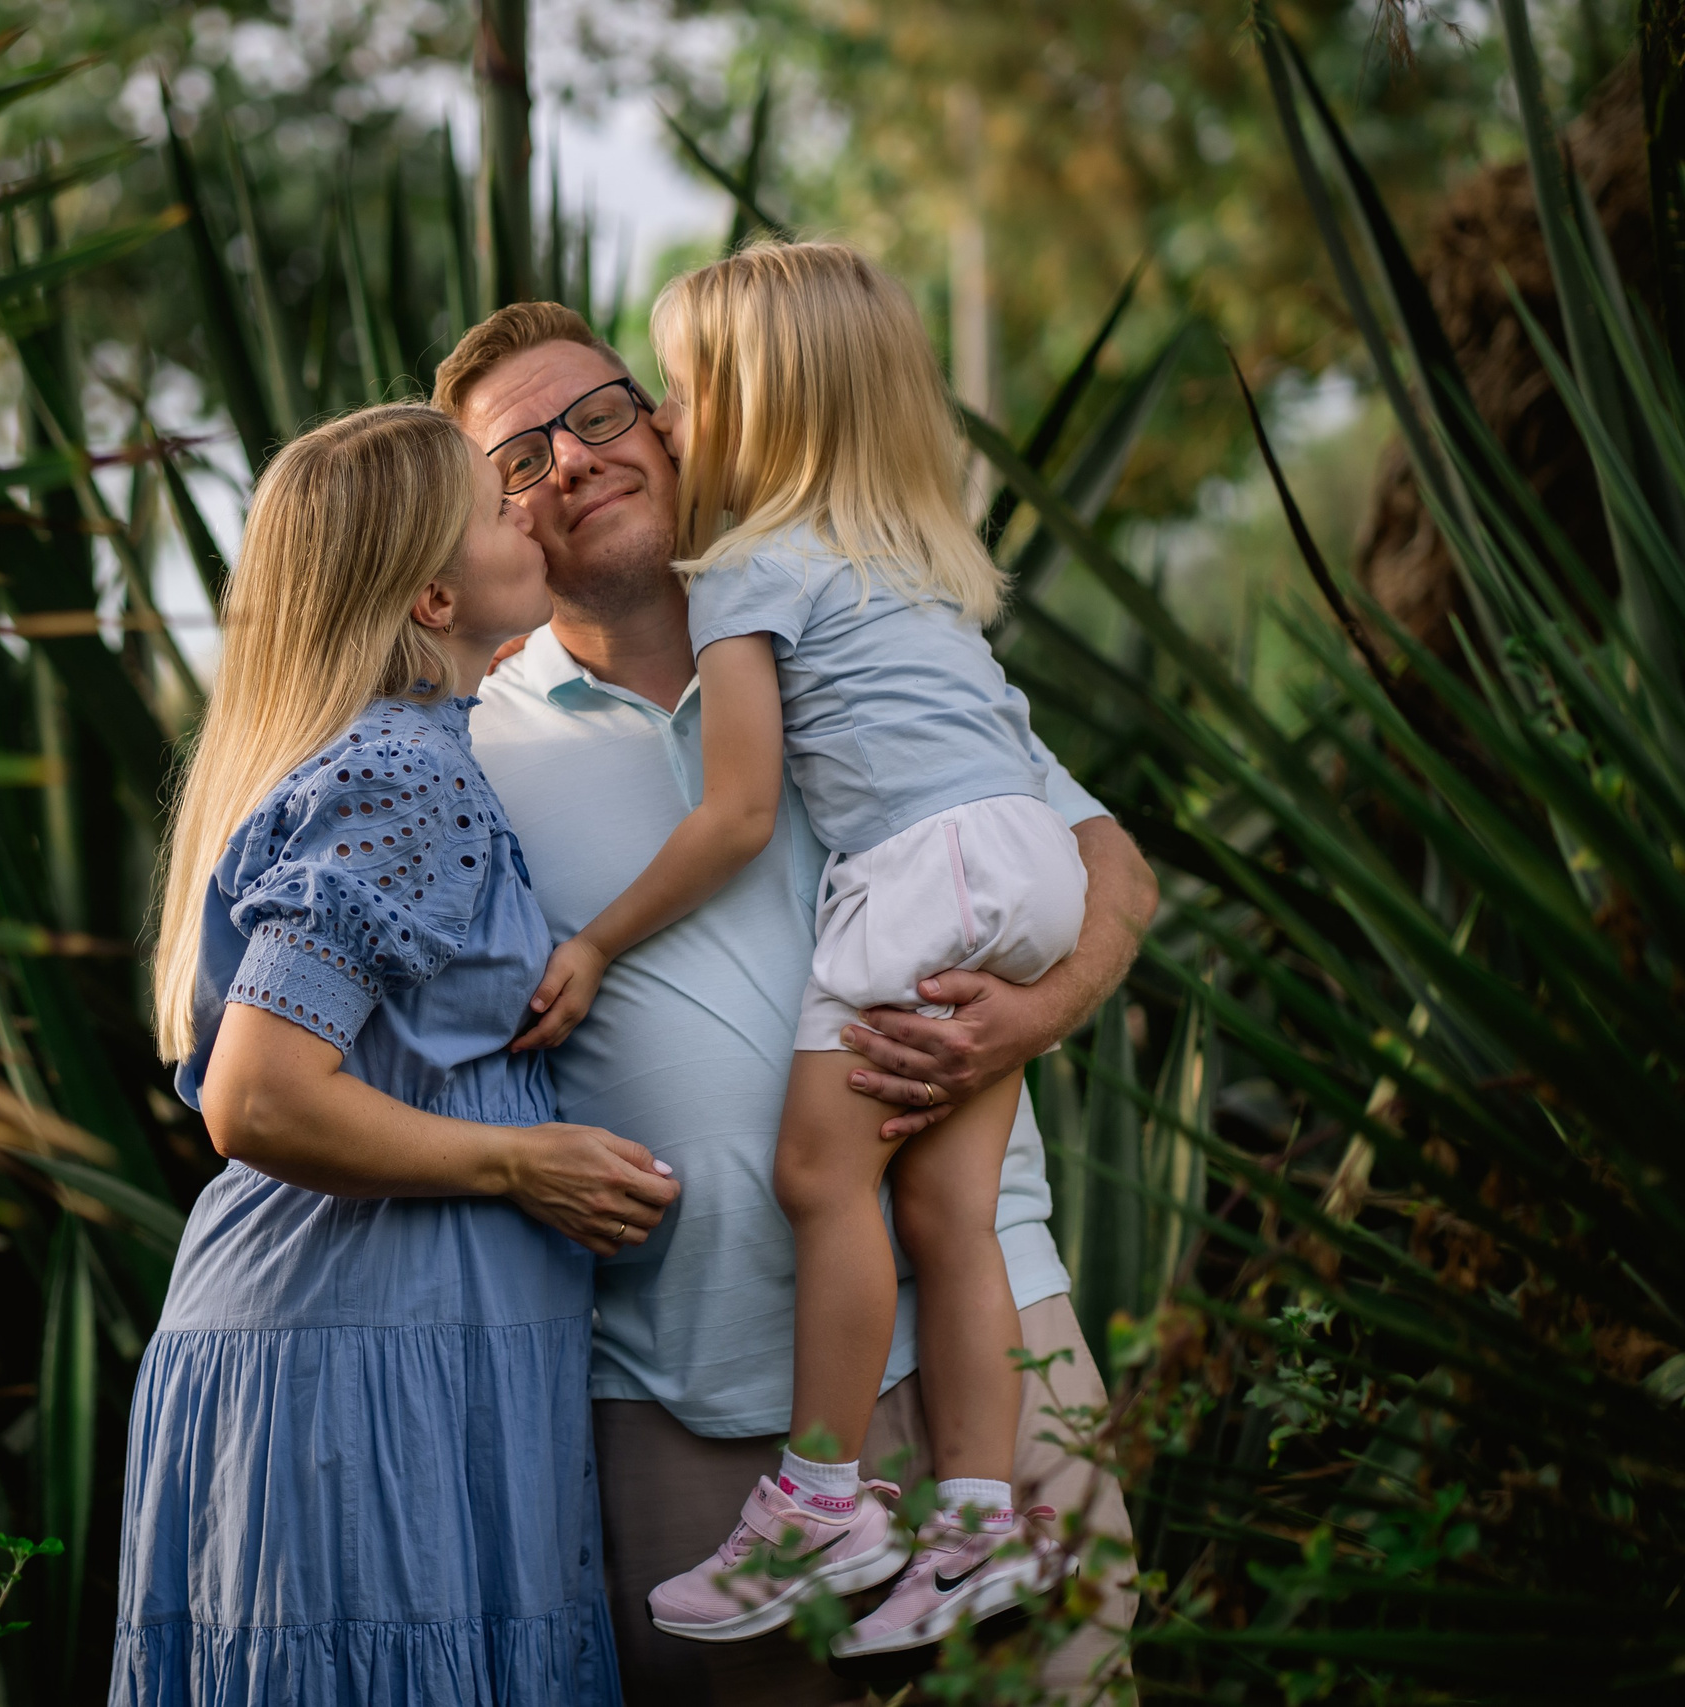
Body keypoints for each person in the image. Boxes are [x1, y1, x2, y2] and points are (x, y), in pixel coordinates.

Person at [441, 302, 1156, 1703]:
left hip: (984, 1335)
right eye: (517, 459)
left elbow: (1105, 864)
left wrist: (1036, 1013)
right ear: (487, 517)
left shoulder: (851, 622)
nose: (571, 462)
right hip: (683, 1390)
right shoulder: (465, 741)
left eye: (594, 415)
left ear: (664, 418)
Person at [113, 402, 679, 1705]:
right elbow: (257, 1094)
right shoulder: (400, 774)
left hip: (374, 1342)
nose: (530, 508)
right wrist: (518, 1166)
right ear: (432, 594)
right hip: (356, 1363)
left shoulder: (399, 757)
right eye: (496, 508)